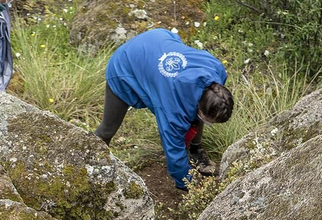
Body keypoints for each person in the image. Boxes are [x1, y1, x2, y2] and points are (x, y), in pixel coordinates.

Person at [94, 27, 233, 191]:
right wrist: (188, 184)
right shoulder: (171, 109)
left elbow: (201, 108)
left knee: (196, 114)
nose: (209, 124)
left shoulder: (216, 69)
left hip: (159, 39)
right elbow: (174, 151)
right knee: (107, 129)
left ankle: (196, 151)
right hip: (124, 66)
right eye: (209, 121)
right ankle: (93, 163)